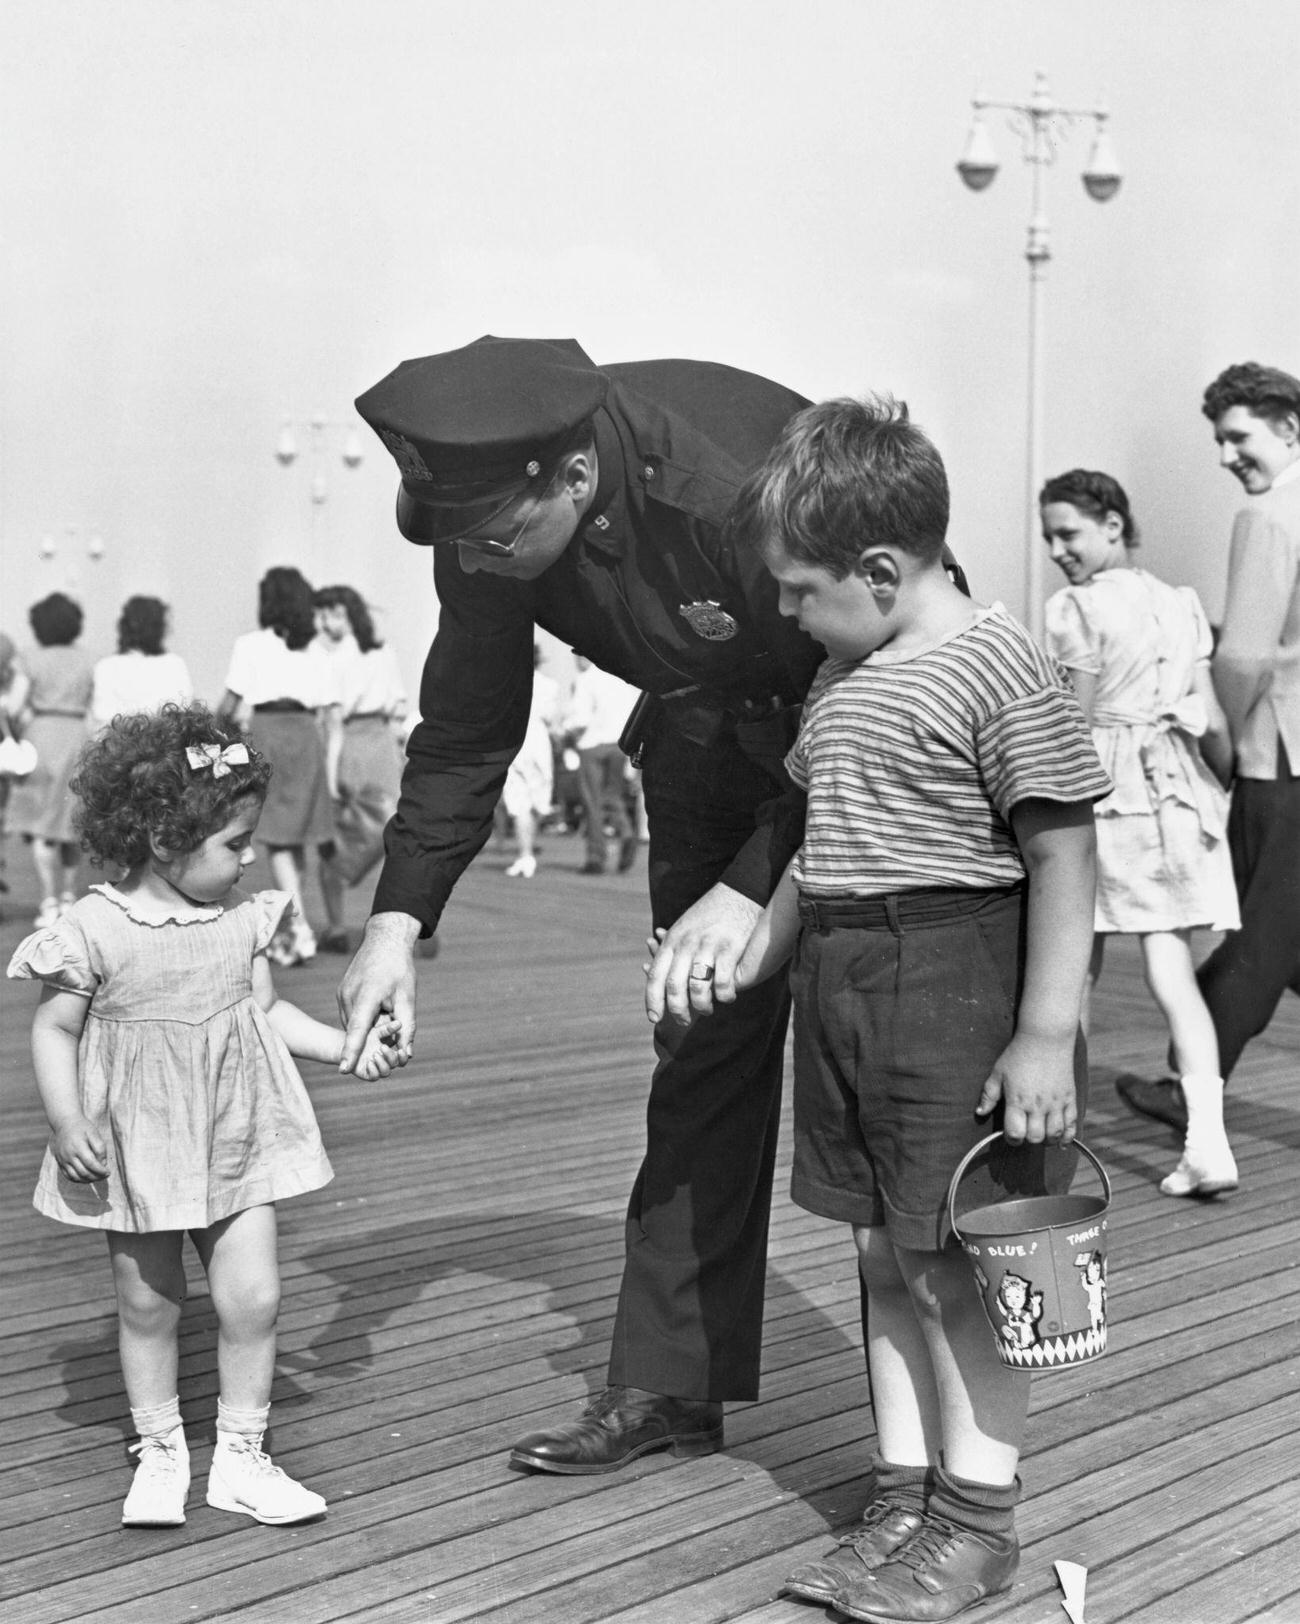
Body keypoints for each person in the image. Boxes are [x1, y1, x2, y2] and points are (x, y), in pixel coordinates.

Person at [341, 335, 831, 1471]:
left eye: (494, 539)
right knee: (700, 1043)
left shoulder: (733, 486)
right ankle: (670, 1381)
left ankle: (933, 1460)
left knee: (882, 1065)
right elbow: (466, 727)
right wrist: (395, 923)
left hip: (870, 741)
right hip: (708, 747)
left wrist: (754, 887)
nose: (478, 562)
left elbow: (870, 676)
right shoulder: (489, 519)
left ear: (570, 478)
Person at [692, 396, 1109, 1623]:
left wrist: (1043, 1032)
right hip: (841, 976)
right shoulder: (844, 672)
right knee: (881, 1248)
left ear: (879, 570)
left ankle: (975, 1523)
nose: (783, 610)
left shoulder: (998, 662)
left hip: (955, 978)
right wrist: (747, 957)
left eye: (798, 587)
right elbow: (814, 846)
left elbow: (1066, 859)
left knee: (960, 1262)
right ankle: (905, 1491)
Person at [6, 703, 398, 1530]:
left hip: (236, 1132)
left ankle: (242, 1456)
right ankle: (159, 1447)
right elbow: (54, 1027)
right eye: (234, 844)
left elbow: (266, 1016)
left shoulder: (240, 922)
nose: (251, 856)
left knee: (253, 1299)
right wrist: (66, 1117)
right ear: (161, 841)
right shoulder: (93, 928)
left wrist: (344, 1046)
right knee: (148, 1303)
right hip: (135, 1142)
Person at [1041, 470, 1240, 1198]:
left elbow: (1074, 723)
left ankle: (1061, 1140)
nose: (1059, 550)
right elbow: (1213, 720)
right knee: (1172, 973)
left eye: (1070, 533)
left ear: (1114, 526)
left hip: (1106, 793)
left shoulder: (1074, 608)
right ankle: (1207, 1141)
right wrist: (1226, 788)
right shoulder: (1179, 604)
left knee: (1073, 968)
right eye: (1050, 538)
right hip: (1177, 793)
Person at [1117, 363, 1300, 1132]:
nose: (1226, 456)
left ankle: (1189, 1082)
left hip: (1278, 756)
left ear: (1288, 426)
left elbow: (1247, 655)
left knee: (1264, 931)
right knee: (1283, 928)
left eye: (1237, 437)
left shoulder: (1269, 515)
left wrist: (1216, 741)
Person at [219, 567, 341, 966]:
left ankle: (299, 926)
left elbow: (230, 703)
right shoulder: (318, 652)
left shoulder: (250, 645)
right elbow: (328, 711)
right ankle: (295, 925)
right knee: (294, 836)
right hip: (306, 735)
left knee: (276, 836)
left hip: (267, 732)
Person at [311, 584, 409, 944]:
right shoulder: (385, 651)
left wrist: (332, 776)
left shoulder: (333, 660)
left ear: (346, 614)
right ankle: (398, 922)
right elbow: (399, 705)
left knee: (336, 839)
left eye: (329, 614)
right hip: (383, 744)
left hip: (351, 745)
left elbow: (334, 725)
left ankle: (337, 925)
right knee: (393, 837)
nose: (322, 623)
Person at [8, 593, 95, 927]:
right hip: (76, 736)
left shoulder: (30, 657)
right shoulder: (88, 659)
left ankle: (47, 900)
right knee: (72, 822)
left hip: (41, 736)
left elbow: (14, 707)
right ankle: (70, 895)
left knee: (43, 826)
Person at [564, 655, 642, 874]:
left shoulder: (586, 679)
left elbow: (580, 718)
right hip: (618, 745)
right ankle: (625, 832)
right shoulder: (620, 678)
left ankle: (596, 856)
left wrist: (566, 731)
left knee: (592, 801)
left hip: (592, 744)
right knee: (614, 796)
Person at [499, 645, 561, 878]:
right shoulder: (550, 686)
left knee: (519, 800)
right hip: (539, 741)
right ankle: (527, 853)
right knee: (537, 799)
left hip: (516, 739)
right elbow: (552, 720)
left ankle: (525, 853)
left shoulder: (507, 683)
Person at [91, 596, 194, 728]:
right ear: (157, 628)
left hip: (119, 745)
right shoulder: (175, 665)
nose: (171, 631)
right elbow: (183, 716)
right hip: (165, 745)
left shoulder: (106, 667)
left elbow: (102, 720)